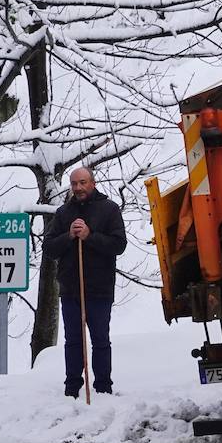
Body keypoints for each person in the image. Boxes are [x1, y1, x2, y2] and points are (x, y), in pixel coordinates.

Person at [44, 167, 127, 398]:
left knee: (100, 339)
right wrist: (68, 236)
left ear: (92, 182)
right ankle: (72, 388)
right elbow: (48, 248)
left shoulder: (109, 209)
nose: (78, 188)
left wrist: (90, 236)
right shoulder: (63, 213)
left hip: (100, 289)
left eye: (82, 182)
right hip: (71, 289)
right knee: (73, 341)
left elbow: (119, 245)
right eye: (74, 184)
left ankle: (102, 387)